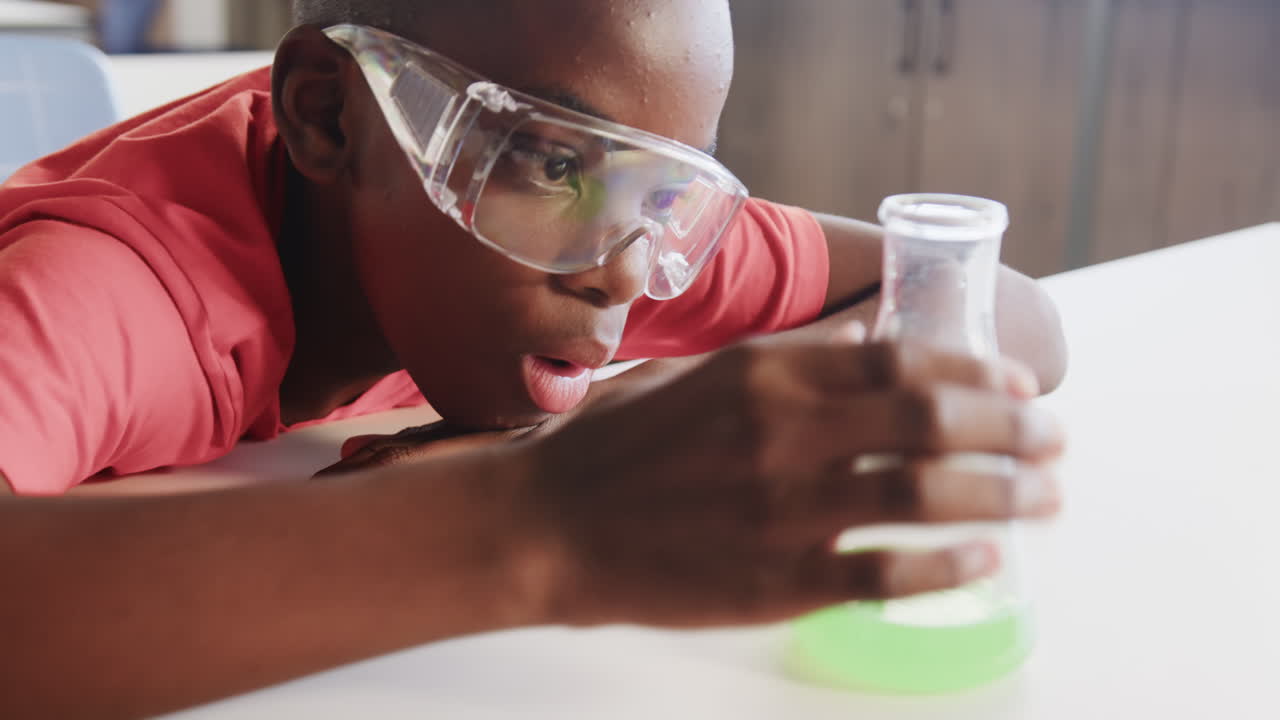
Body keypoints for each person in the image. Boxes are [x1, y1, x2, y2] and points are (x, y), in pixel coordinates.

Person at [0, 0, 1068, 716]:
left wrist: (661, 407)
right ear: (327, 117)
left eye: (667, 191)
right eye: (557, 164)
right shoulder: (114, 285)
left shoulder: (595, 239)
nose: (625, 274)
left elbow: (1005, 311)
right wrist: (538, 516)